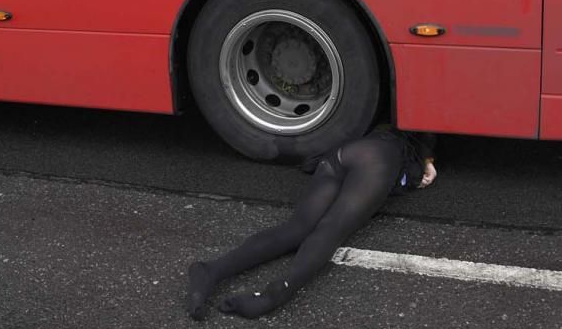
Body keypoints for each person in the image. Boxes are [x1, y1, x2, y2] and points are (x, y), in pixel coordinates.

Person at [186, 127, 438, 319]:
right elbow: (424, 132)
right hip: (378, 160)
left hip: (344, 153)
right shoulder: (414, 143)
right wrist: (428, 163)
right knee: (330, 230)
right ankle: (278, 292)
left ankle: (211, 270)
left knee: (297, 228)